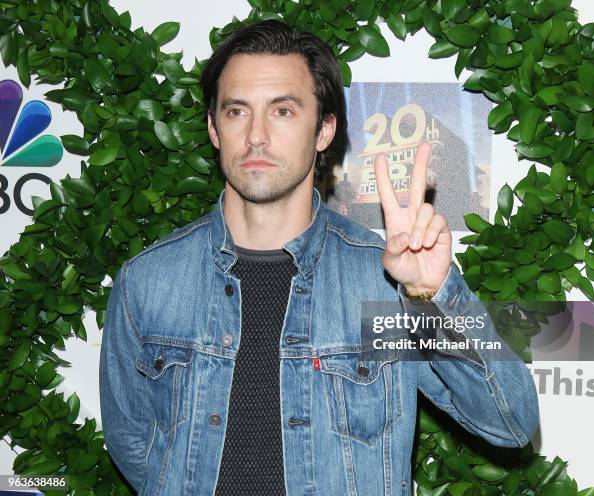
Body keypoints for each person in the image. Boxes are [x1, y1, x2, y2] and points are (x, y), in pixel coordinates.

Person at [99, 20, 539, 496]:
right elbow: (136, 447)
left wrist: (430, 295)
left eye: (283, 111)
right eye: (236, 112)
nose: (257, 136)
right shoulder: (148, 282)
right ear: (213, 128)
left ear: (324, 129)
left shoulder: (384, 285)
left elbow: (510, 421)